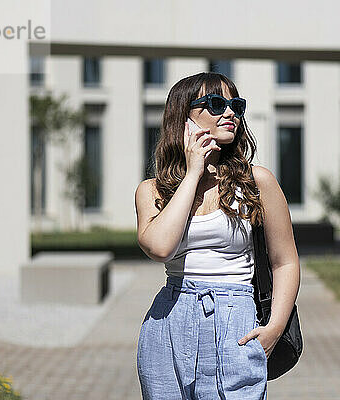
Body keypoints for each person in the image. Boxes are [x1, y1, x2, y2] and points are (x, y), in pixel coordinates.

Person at [134, 71, 300, 399]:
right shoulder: (152, 190)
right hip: (170, 321)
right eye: (215, 103)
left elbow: (285, 262)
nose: (230, 112)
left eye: (235, 105)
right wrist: (194, 170)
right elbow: (160, 247)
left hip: (234, 320)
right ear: (183, 117)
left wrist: (274, 330)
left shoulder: (257, 182)